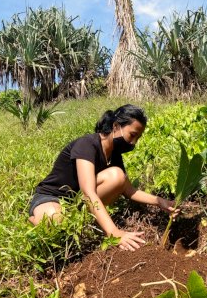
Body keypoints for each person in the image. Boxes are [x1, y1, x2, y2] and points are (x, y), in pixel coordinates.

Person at [28, 104, 177, 251]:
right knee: (56, 221)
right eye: (132, 135)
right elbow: (88, 192)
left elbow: (129, 190)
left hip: (76, 204)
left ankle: (83, 223)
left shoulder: (114, 154)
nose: (133, 142)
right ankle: (34, 219)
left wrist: (160, 202)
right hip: (51, 197)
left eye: (138, 138)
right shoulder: (87, 144)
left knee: (118, 176)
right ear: (116, 126)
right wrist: (115, 233)